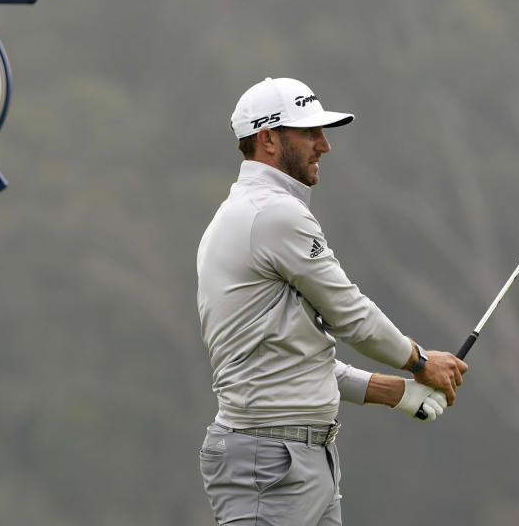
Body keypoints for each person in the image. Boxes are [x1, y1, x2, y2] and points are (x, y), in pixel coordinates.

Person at [196, 77, 469, 525]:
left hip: (298, 459)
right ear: (268, 139)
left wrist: (393, 391)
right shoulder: (273, 214)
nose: (324, 145)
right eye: (309, 133)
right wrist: (420, 362)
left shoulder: (249, 212)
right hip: (271, 462)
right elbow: (352, 315)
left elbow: (293, 356)